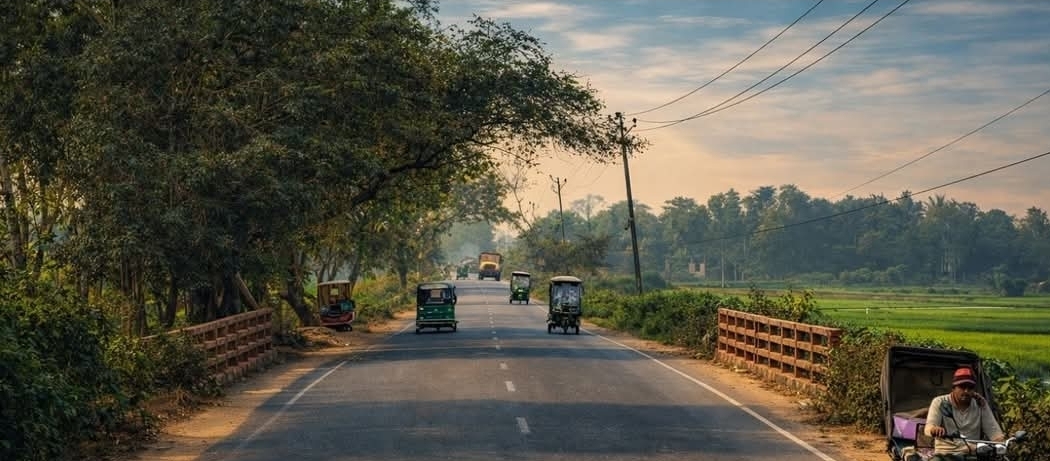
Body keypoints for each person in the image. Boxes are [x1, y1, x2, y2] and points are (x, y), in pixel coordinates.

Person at [924, 367, 1005, 459]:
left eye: (970, 388)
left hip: (972, 454)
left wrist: (1000, 442)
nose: (966, 391)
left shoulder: (980, 404)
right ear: (953, 388)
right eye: (962, 387)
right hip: (946, 453)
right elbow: (929, 427)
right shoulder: (940, 402)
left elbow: (993, 431)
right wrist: (934, 429)